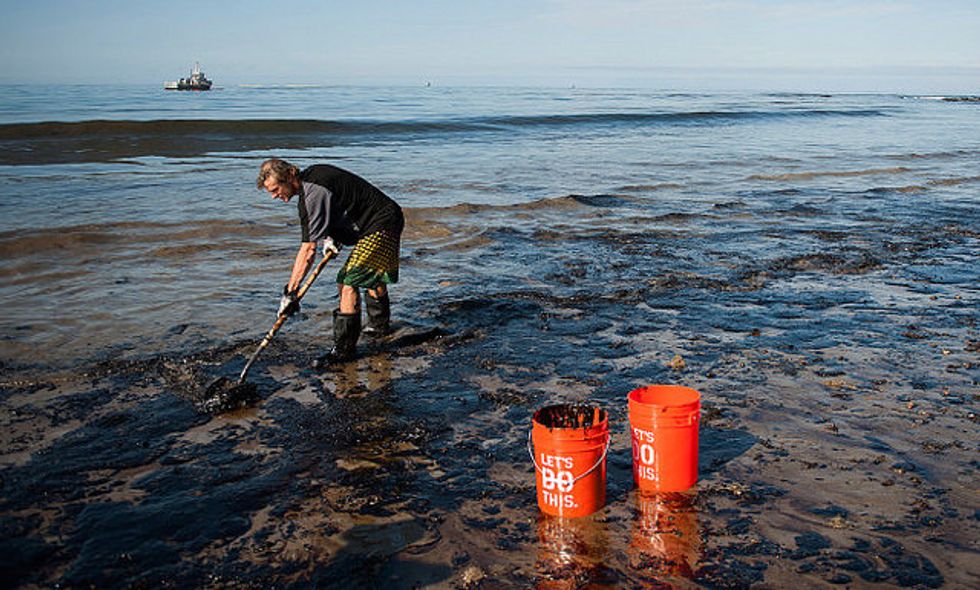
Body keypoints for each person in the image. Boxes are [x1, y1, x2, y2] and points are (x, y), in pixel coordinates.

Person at [256, 158, 404, 366]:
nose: (273, 196)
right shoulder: (314, 178)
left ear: (289, 176)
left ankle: (344, 351)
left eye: (275, 189)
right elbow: (339, 203)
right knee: (370, 274)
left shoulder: (312, 192)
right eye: (270, 192)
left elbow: (308, 250)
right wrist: (331, 237)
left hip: (381, 222)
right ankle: (379, 329)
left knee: (348, 280)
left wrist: (291, 292)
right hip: (384, 217)